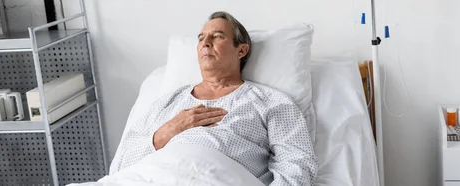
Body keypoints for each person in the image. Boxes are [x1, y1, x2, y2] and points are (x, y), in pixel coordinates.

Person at [112, 11, 317, 186]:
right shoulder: (167, 103)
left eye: (217, 36)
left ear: (242, 50)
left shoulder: (271, 102)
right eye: (201, 38)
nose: (205, 43)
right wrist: (167, 132)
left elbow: (297, 164)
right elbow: (121, 165)